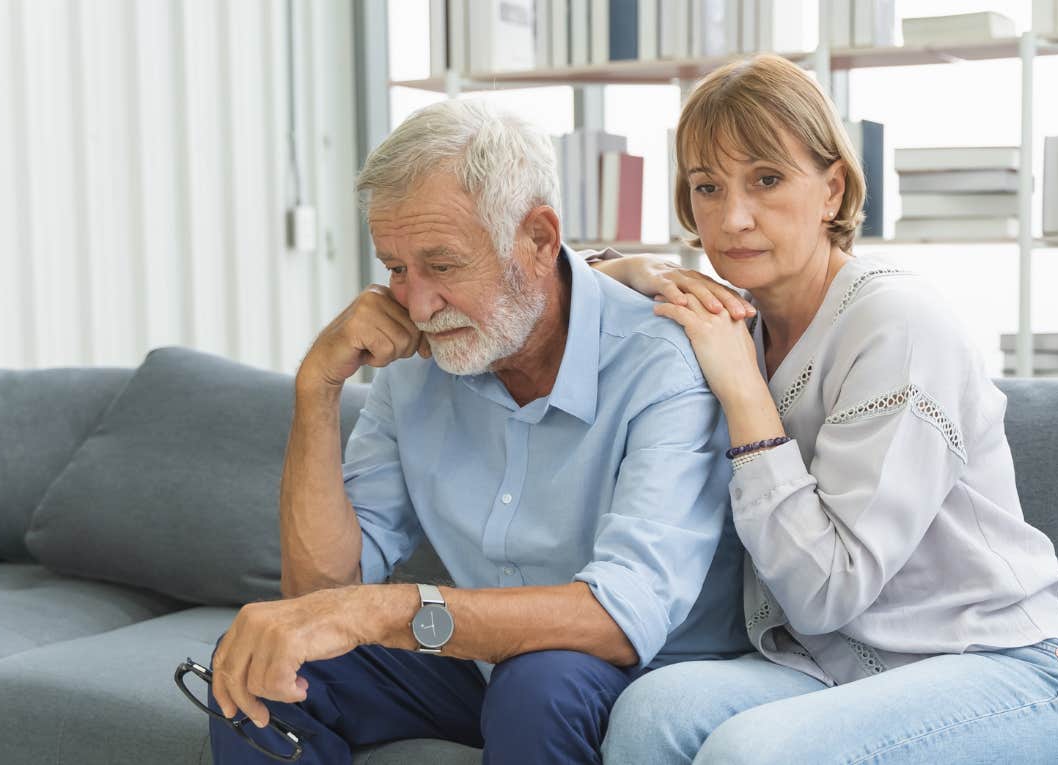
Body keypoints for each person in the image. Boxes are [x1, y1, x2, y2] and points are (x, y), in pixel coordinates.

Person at [203, 98, 749, 764]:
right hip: (480, 662)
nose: (419, 304)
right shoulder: (413, 366)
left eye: (443, 265)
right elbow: (321, 593)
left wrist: (380, 611)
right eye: (397, 269)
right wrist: (316, 387)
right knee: (263, 663)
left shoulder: (661, 360)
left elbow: (620, 614)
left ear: (540, 241)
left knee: (539, 682)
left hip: (645, 666)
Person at [596, 54, 1058, 764]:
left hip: (1000, 670)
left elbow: (830, 590)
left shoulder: (897, 324)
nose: (733, 217)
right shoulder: (737, 315)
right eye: (709, 187)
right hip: (827, 672)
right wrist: (641, 269)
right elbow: (556, 288)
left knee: (750, 753)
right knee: (648, 714)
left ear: (831, 188)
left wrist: (743, 392)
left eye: (767, 180)